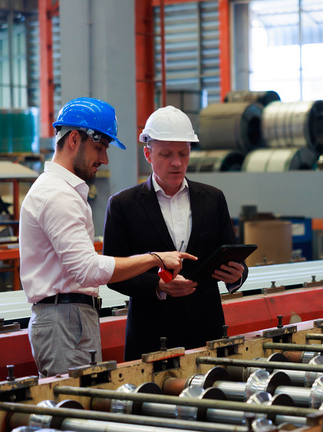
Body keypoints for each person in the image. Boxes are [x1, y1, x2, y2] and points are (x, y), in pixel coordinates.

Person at [19, 97, 194, 377]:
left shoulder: (61, 191)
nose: (104, 159)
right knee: (75, 411)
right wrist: (154, 258)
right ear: (74, 139)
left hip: (71, 317)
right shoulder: (57, 196)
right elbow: (88, 269)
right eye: (99, 148)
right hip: (64, 320)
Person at [103, 105, 248, 361]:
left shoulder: (213, 199)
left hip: (207, 333)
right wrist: (158, 286)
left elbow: (230, 254)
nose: (177, 162)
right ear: (148, 154)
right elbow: (114, 274)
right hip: (151, 337)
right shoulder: (123, 206)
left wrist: (237, 275)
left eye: (183, 153)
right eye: (166, 154)